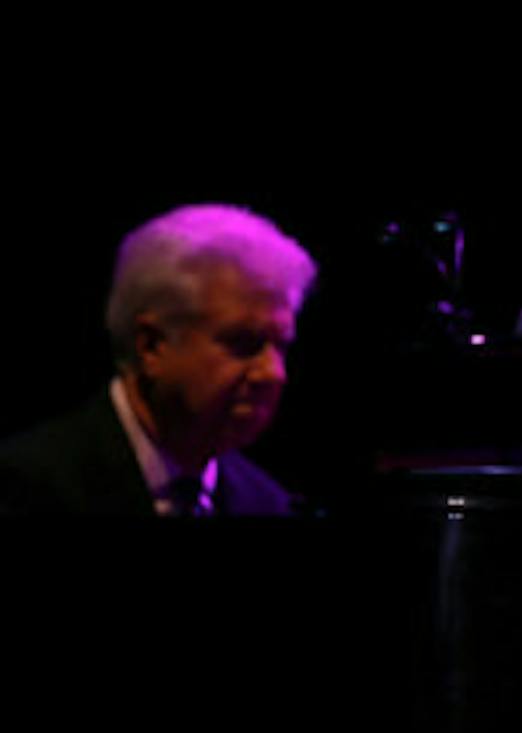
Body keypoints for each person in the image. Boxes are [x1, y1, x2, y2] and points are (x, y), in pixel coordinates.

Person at [0, 202, 314, 516]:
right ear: (152, 346)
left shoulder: (268, 504)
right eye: (243, 343)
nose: (274, 373)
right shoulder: (25, 488)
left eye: (281, 347)